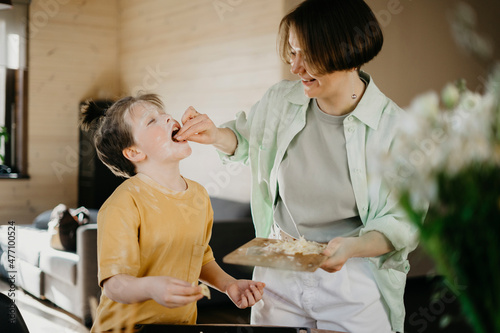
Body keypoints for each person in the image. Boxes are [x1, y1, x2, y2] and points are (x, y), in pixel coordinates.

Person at [174, 0, 422, 332]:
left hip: (353, 274)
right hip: (279, 267)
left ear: (346, 52)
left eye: (308, 55)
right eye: (292, 53)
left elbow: (405, 222)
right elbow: (249, 142)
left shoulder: (396, 129)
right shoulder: (280, 100)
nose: (296, 67)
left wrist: (354, 247)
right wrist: (216, 134)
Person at [79, 94, 265, 332]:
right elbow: (114, 285)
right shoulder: (123, 203)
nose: (168, 118)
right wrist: (151, 288)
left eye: (164, 113)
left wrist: (229, 285)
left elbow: (200, 259)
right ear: (134, 152)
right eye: (151, 120)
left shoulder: (198, 195)